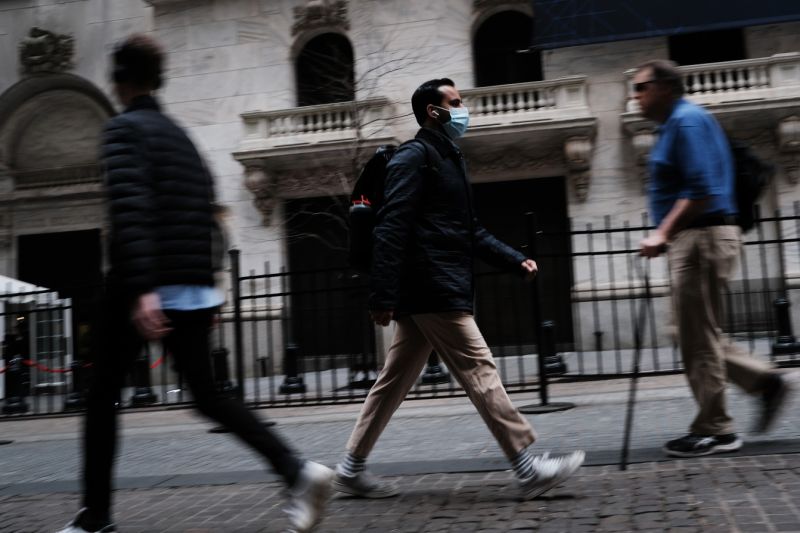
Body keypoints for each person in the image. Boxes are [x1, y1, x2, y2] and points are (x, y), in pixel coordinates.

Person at [56, 34, 333, 533]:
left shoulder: (123, 131)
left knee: (101, 398)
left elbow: (130, 210)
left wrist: (142, 289)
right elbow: (208, 215)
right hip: (190, 285)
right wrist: (211, 288)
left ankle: (95, 516)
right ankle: (297, 470)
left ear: (119, 80)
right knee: (208, 395)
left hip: (140, 284)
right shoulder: (181, 136)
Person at [333, 78, 585, 500]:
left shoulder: (449, 159)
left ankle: (350, 467)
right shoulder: (415, 158)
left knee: (393, 380)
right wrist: (382, 294)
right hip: (431, 283)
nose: (464, 109)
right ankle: (527, 467)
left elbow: (467, 230)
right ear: (434, 111)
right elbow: (393, 226)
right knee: (479, 368)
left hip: (434, 283)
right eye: (456, 102)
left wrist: (511, 257)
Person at [635, 59, 793, 458]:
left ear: (665, 87)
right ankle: (764, 382)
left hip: (700, 238)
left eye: (641, 87)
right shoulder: (676, 124)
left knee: (697, 336)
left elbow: (701, 188)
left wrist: (661, 233)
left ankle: (717, 429)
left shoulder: (685, 122)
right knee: (686, 331)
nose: (635, 96)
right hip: (698, 238)